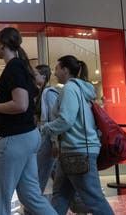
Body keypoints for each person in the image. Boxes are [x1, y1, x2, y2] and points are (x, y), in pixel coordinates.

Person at [0, 27, 56, 215]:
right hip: (28, 136)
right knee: (30, 195)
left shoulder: (14, 68)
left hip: (13, 138)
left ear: (2, 44)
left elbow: (21, 104)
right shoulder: (22, 67)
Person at [41, 55, 114, 215]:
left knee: (94, 199)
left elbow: (66, 120)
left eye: (57, 68)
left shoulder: (69, 89)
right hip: (73, 151)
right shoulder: (81, 89)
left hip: (77, 150)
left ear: (66, 70)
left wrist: (45, 128)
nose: (55, 72)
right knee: (60, 195)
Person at [34, 64, 60, 194]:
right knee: (55, 172)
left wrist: (54, 141)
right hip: (44, 136)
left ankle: (34, 206)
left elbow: (53, 117)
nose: (33, 77)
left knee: (41, 172)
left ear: (43, 77)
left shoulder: (48, 93)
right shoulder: (40, 93)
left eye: (35, 74)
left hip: (48, 137)